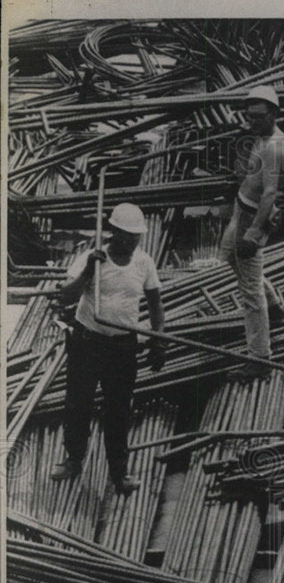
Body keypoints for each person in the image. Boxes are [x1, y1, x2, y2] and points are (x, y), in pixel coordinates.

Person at [51, 203, 166, 495]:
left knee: (118, 411)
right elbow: (66, 297)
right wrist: (89, 270)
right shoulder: (91, 258)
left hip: (122, 346)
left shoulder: (144, 263)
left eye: (135, 237)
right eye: (125, 236)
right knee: (78, 404)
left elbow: (155, 304)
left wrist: (157, 339)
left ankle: (119, 473)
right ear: (112, 232)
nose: (130, 242)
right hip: (87, 340)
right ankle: (73, 460)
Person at [221, 85, 284, 383]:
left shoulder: (275, 145)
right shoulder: (262, 134)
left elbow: (270, 192)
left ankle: (260, 358)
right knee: (230, 258)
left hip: (253, 216)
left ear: (274, 114)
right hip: (242, 209)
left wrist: (253, 232)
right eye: (249, 117)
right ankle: (275, 308)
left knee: (249, 292)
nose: (253, 123)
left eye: (259, 117)